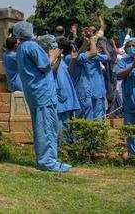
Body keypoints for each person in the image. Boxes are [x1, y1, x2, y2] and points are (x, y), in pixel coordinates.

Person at [13, 21, 71, 173]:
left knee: (43, 126)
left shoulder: (21, 48)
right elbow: (45, 65)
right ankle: (48, 161)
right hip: (42, 92)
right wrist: (54, 55)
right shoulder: (31, 46)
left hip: (36, 92)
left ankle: (46, 159)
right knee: (46, 127)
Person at [68, 22, 107, 121]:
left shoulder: (74, 56)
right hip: (85, 92)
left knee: (87, 120)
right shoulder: (80, 57)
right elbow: (94, 53)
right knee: (90, 121)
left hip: (88, 91)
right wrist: (91, 40)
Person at [53, 37, 81, 132]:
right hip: (60, 99)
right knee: (61, 128)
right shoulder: (52, 61)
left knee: (69, 127)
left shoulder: (62, 60)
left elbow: (68, 72)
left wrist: (73, 60)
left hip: (67, 97)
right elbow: (52, 70)